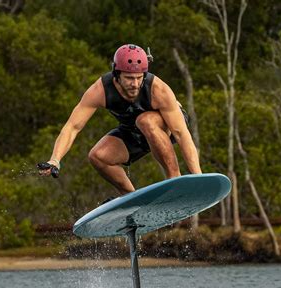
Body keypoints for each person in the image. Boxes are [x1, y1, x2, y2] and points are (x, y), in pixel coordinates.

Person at [38, 44, 201, 197]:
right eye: (129, 78)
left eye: (139, 78)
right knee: (98, 156)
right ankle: (132, 199)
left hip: (167, 126)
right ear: (116, 75)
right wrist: (55, 159)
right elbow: (72, 127)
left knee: (145, 121)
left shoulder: (158, 89)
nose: (135, 84)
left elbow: (182, 135)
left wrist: (198, 176)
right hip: (134, 131)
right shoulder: (100, 90)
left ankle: (174, 180)